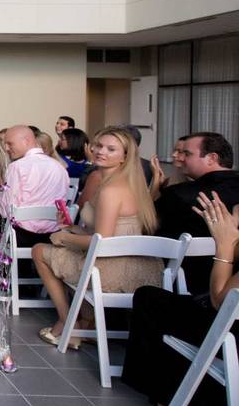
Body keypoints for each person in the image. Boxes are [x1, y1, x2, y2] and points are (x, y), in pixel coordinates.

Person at [32, 127, 163, 349]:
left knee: (38, 250)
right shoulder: (131, 184)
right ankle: (86, 324)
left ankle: (67, 322)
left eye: (111, 149)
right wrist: (72, 228)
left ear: (124, 157)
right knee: (71, 252)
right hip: (138, 265)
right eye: (99, 146)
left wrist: (63, 237)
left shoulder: (111, 190)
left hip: (111, 269)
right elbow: (110, 232)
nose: (101, 152)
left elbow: (101, 242)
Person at [122, 190, 239, 406]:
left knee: (151, 302)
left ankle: (167, 393)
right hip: (227, 324)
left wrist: (224, 245)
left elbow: (221, 302)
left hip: (230, 334)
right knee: (161, 301)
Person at [154, 132, 239, 294]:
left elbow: (147, 226)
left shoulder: (178, 195)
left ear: (212, 158)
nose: (180, 158)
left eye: (187, 154)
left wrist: (155, 190)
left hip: (187, 284)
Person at [0, 125, 70, 247]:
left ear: (26, 141)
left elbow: (7, 208)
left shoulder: (17, 166)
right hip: (53, 233)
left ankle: (7, 266)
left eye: (10, 144)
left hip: (22, 235)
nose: (6, 148)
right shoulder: (59, 166)